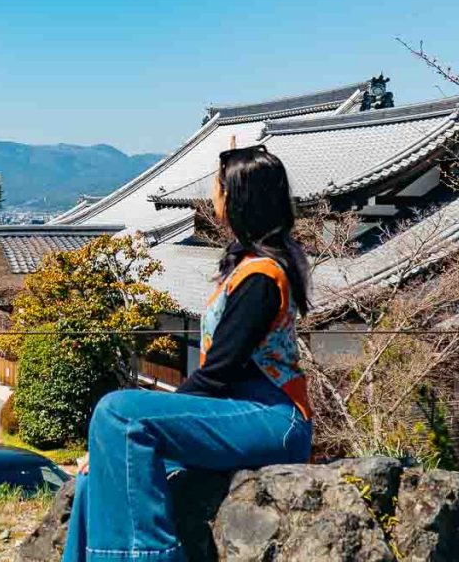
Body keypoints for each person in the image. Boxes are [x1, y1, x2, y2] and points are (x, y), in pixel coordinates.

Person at [62, 146, 313, 562]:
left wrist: (132, 426)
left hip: (271, 416)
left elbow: (217, 374)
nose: (212, 197)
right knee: (97, 481)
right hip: (239, 413)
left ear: (237, 197)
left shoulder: (262, 276)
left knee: (117, 413)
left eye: (217, 187)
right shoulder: (252, 263)